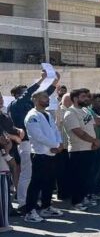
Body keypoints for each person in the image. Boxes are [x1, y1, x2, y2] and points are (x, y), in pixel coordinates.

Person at [9, 69, 58, 213]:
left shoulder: (30, 105)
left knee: (36, 176)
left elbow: (43, 95)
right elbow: (32, 92)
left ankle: (34, 202)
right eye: (25, 92)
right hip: (26, 143)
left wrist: (54, 82)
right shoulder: (16, 104)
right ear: (18, 95)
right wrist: (41, 79)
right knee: (27, 174)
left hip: (38, 146)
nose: (29, 95)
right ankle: (23, 202)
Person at [24, 91, 64, 223]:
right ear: (35, 99)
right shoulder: (32, 116)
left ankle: (46, 207)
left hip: (52, 153)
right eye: (44, 97)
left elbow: (56, 130)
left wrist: (58, 144)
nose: (47, 100)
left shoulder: (47, 114)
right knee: (36, 183)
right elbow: (38, 136)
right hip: (40, 154)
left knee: (49, 182)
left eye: (47, 97)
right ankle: (30, 211)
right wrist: (54, 144)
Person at [63, 89, 100, 211]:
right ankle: (76, 202)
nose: (86, 98)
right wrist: (93, 141)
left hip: (90, 148)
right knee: (78, 177)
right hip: (78, 150)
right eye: (83, 96)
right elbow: (78, 132)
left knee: (87, 176)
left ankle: (83, 197)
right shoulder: (70, 113)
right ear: (75, 99)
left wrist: (96, 140)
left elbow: (93, 127)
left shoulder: (85, 110)